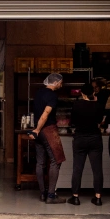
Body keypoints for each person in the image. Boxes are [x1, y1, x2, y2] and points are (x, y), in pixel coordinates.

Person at [32, 73, 66, 204]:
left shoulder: (39, 93)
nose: (61, 85)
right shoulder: (52, 95)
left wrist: (36, 130)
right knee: (55, 161)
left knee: (40, 162)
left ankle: (42, 193)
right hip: (47, 129)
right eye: (61, 82)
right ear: (56, 82)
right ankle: (51, 195)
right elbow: (45, 114)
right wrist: (39, 129)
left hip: (39, 131)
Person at [68, 83, 104, 206]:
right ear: (93, 93)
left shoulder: (76, 105)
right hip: (95, 138)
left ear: (82, 93)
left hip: (80, 138)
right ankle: (98, 197)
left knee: (78, 168)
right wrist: (96, 103)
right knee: (97, 169)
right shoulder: (98, 105)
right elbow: (100, 121)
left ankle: (75, 197)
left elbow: (72, 122)